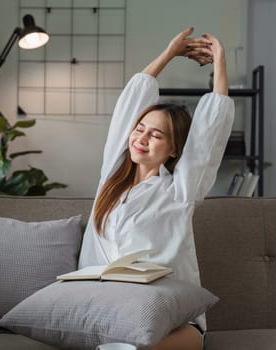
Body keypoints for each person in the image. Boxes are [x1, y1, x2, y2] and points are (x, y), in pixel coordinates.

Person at [78, 27, 235, 350]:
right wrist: (168, 54)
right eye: (140, 129)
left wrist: (220, 60)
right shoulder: (111, 178)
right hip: (113, 314)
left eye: (156, 135)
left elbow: (210, 132)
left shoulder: (180, 190)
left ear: (174, 149)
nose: (141, 139)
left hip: (173, 322)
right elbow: (130, 103)